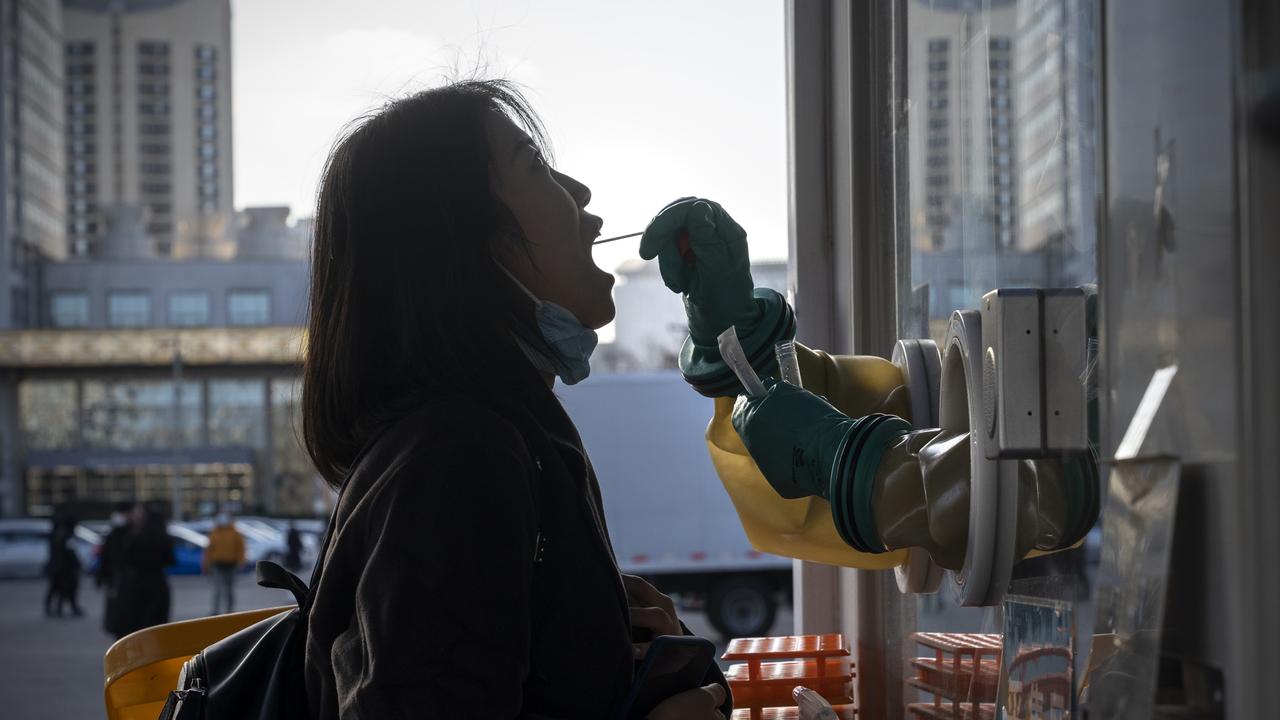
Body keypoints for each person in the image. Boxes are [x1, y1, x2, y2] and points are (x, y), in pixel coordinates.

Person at [301, 80, 729, 720]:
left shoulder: (491, 429)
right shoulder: (459, 457)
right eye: (536, 166)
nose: (581, 194)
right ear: (473, 243)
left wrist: (620, 649)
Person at [114, 503, 175, 638]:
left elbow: (126, 558)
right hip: (158, 583)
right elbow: (170, 560)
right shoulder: (163, 537)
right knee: (157, 625)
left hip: (137, 584)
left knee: (139, 623)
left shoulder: (135, 536)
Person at [95, 502, 133, 635]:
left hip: (129, 583)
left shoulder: (134, 533)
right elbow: (106, 559)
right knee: (118, 618)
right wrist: (101, 578)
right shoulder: (113, 534)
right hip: (115, 582)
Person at [202, 512, 246, 615]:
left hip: (232, 565)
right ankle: (215, 612)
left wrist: (241, 561)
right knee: (217, 590)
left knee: (229, 590)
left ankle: (230, 611)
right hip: (217, 565)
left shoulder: (235, 533)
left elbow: (241, 549)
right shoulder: (214, 532)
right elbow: (209, 550)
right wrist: (206, 564)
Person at [43, 509, 83, 618]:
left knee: (56, 588)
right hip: (65, 568)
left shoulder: (56, 534)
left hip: (57, 567)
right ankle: (62, 608)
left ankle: (54, 608)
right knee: (65, 588)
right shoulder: (65, 535)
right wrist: (77, 564)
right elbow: (70, 552)